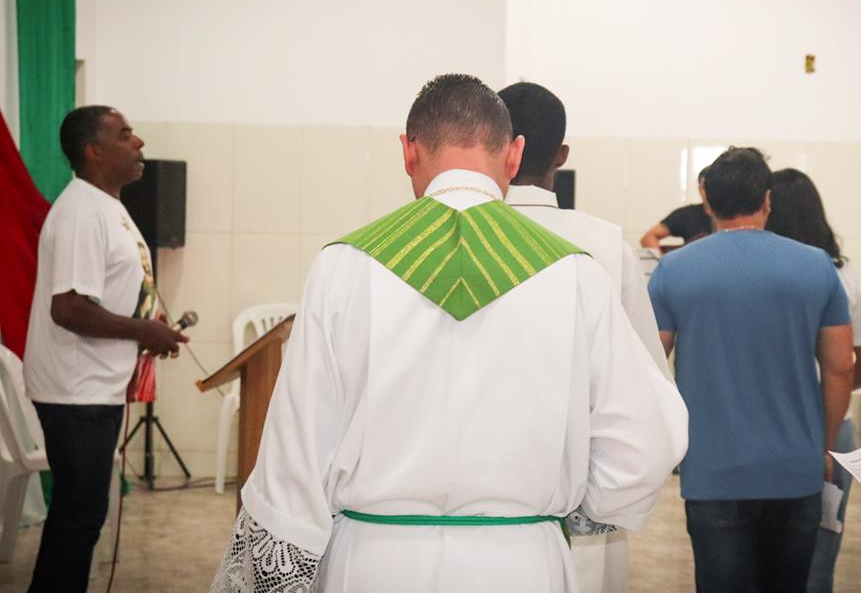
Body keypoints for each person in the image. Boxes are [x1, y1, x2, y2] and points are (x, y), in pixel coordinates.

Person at [211, 74, 689, 592]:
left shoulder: (344, 266)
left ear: (408, 152)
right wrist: (578, 507)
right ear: (513, 156)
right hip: (523, 564)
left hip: (373, 564)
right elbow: (647, 441)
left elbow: (296, 451)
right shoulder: (576, 272)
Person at [647, 147, 854, 593]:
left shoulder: (674, 269)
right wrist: (824, 448)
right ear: (767, 199)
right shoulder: (816, 266)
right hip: (796, 468)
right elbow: (840, 367)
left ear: (707, 200)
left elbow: (649, 365)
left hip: (712, 471)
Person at [499, 81, 668, 593]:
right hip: (582, 506)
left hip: (476, 502)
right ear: (562, 155)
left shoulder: (458, 237)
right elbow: (648, 390)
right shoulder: (605, 245)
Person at [22, 106, 188, 592]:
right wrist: (143, 332)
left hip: (93, 387)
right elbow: (69, 308)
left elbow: (108, 291)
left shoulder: (107, 206)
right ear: (94, 151)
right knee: (78, 518)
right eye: (124, 135)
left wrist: (150, 325)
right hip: (76, 391)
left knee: (81, 515)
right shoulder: (80, 212)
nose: (138, 143)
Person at [765, 168, 861, 592]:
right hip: (834, 428)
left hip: (770, 424)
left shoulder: (757, 275)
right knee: (818, 558)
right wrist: (830, 391)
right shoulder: (844, 274)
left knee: (759, 552)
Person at [639, 167, 712, 253]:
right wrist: (664, 260)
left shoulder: (727, 215)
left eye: (713, 186)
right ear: (699, 189)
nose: (710, 191)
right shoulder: (687, 215)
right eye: (705, 187)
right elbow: (649, 237)